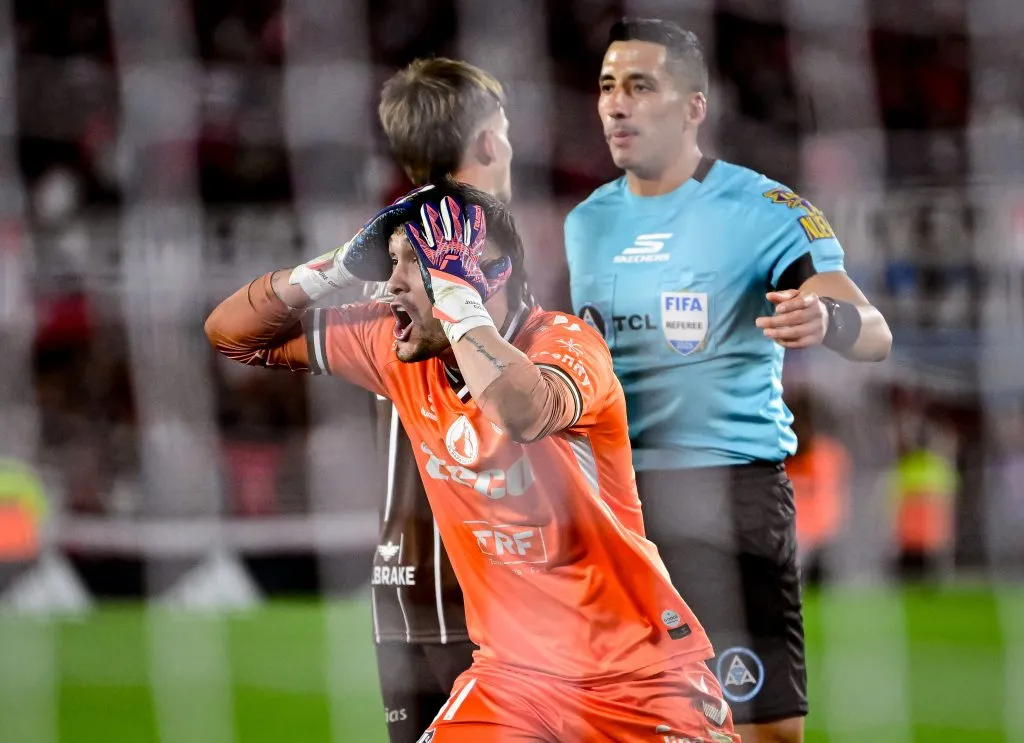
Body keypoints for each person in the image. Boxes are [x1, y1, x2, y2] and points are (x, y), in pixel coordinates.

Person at [205, 180, 739, 742]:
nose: (391, 285)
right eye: (391, 261)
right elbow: (233, 335)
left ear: (489, 273)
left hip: (636, 676)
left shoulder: (566, 344)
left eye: (417, 263)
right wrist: (337, 267)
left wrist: (458, 297)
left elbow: (522, 413)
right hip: (511, 682)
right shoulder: (395, 347)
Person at [563, 17, 893, 743]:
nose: (616, 104)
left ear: (693, 106)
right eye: (607, 87)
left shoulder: (765, 210)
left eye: (639, 87)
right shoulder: (585, 222)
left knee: (763, 729)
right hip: (615, 503)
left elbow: (873, 332)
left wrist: (825, 322)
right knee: (618, 722)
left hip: (729, 495)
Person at [362, 57, 515, 743]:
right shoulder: (478, 252)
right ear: (487, 142)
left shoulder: (384, 252)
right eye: (504, 129)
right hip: (480, 583)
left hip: (397, 581)